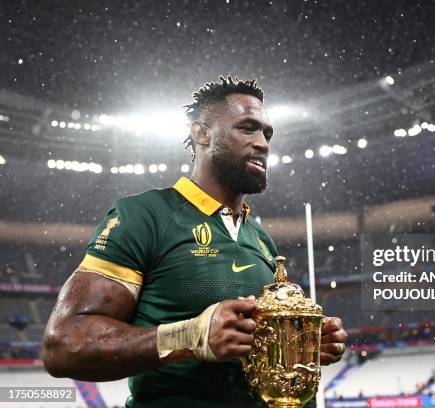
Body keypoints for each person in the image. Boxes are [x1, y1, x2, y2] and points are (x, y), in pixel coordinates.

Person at [42, 76, 348, 407]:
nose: (263, 143)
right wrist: (189, 337)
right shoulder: (144, 216)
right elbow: (64, 344)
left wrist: (299, 343)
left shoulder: (260, 239)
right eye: (247, 128)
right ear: (201, 132)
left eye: (267, 133)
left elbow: (253, 351)